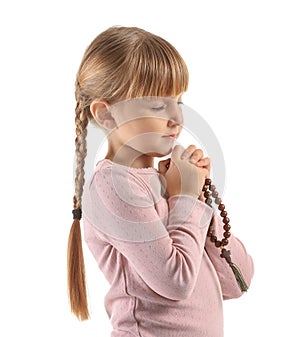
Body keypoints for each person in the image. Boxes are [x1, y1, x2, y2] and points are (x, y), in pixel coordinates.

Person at [67, 26, 254, 337]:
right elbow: (175, 281)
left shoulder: (169, 181)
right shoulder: (112, 185)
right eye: (158, 106)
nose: (177, 120)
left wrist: (199, 195)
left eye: (178, 102)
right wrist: (186, 197)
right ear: (106, 114)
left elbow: (238, 281)